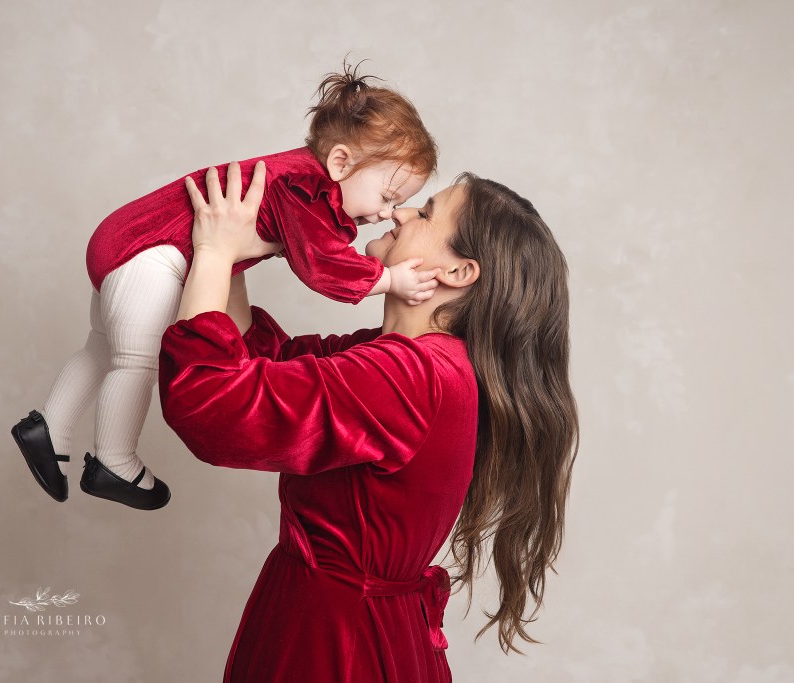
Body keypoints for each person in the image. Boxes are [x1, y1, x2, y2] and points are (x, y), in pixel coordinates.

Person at [159, 159, 579, 681]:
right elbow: (268, 363)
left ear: (457, 272)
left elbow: (211, 405)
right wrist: (242, 249)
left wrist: (212, 253)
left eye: (425, 213)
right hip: (344, 624)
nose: (399, 214)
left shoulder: (410, 375)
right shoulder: (409, 359)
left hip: (336, 646)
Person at [10, 65, 439, 510]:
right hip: (152, 253)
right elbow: (323, 266)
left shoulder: (296, 176)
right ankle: (113, 460)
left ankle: (48, 429)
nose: (390, 213)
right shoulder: (307, 187)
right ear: (340, 162)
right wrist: (391, 279)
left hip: (125, 242)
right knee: (137, 359)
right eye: (389, 196)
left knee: (101, 348)